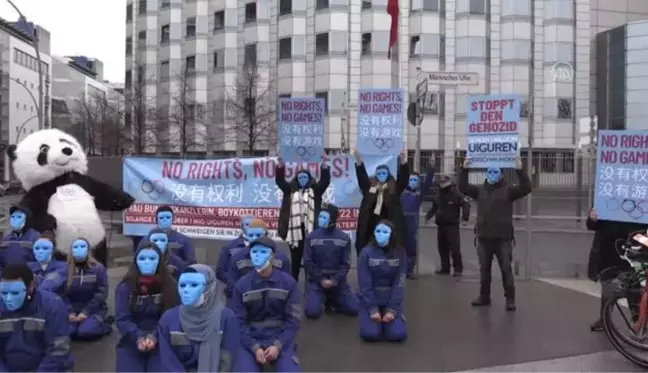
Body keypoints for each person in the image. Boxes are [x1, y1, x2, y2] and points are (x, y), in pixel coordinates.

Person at [458, 158, 532, 311]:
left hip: (503, 238)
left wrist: (520, 170)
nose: (492, 174)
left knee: (506, 268)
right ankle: (484, 296)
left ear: (500, 174)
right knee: (484, 269)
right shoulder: (480, 190)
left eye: (495, 172)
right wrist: (464, 169)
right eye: (489, 172)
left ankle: (510, 299)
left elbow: (526, 188)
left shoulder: (509, 190)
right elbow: (463, 186)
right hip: (484, 237)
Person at [231, 236, 301, 372]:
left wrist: (278, 346)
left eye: (263, 252)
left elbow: (293, 320)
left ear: (272, 256)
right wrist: (254, 347)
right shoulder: (241, 285)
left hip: (279, 335)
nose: (257, 256)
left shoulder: (288, 283)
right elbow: (238, 322)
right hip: (251, 337)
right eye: (254, 252)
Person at [157, 264, 240, 372]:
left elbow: (228, 358)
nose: (186, 290)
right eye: (182, 285)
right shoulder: (168, 319)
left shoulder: (227, 318)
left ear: (209, 287)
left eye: (194, 285)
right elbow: (168, 361)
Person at [115, 243, 179, 373]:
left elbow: (170, 317)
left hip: (162, 339)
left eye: (152, 259)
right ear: (136, 261)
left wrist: (154, 336)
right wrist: (138, 337)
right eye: (142, 259)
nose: (147, 262)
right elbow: (122, 318)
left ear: (159, 261)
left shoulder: (171, 285)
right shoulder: (125, 287)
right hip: (131, 339)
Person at [0, 264, 74, 372]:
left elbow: (59, 350)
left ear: (31, 286)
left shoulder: (52, 305)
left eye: (15, 292)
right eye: (4, 293)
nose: (8, 298)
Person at [586, 207, 648, 331]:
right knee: (607, 283)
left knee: (635, 286)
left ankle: (638, 320)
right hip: (607, 247)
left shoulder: (640, 195)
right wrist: (592, 218)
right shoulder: (607, 191)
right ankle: (605, 318)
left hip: (634, 246)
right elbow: (592, 225)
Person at [275, 155, 331, 281]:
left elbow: (325, 181)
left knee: (309, 260)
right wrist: (280, 166)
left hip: (310, 229)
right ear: (296, 179)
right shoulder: (290, 190)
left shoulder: (315, 190)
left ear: (309, 178)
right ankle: (293, 284)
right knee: (295, 260)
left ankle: (310, 287)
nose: (302, 179)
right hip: (294, 231)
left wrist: (324, 164)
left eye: (305, 177)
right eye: (300, 177)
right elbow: (280, 181)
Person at [303, 203, 359, 319]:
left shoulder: (344, 238)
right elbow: (308, 262)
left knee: (354, 309)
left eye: (324, 217)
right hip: (316, 282)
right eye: (320, 216)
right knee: (312, 313)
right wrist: (321, 279)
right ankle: (319, 297)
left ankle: (334, 299)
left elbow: (346, 264)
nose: (320, 220)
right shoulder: (311, 237)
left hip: (337, 282)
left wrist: (334, 281)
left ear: (332, 219)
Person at [357, 220, 407, 342]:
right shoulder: (366, 253)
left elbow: (399, 282)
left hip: (390, 299)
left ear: (392, 234)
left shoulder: (400, 253)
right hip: (371, 299)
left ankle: (393, 319)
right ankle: (370, 319)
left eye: (385, 232)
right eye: (378, 231)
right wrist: (373, 309)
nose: (381, 234)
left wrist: (392, 310)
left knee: (398, 335)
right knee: (370, 334)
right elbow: (364, 283)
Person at [354, 150, 410, 257]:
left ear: (388, 174)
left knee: (391, 247)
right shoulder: (371, 187)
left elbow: (403, 179)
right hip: (371, 224)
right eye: (379, 173)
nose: (381, 176)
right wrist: (359, 162)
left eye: (384, 173)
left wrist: (403, 163)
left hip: (391, 223)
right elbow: (362, 179)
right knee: (370, 246)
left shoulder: (394, 187)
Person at [226, 219, 291, 304]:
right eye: (251, 235)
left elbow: (288, 284)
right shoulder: (237, 258)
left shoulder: (281, 258)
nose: (254, 238)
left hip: (274, 301)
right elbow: (232, 284)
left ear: (266, 235)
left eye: (258, 235)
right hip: (246, 301)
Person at [66, 238, 113, 340]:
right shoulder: (66, 269)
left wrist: (86, 311)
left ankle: (105, 325)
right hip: (73, 308)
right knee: (69, 332)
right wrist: (69, 311)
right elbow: (62, 294)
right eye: (76, 247)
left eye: (82, 247)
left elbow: (102, 292)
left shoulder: (98, 268)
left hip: (94, 309)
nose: (79, 249)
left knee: (85, 332)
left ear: (88, 250)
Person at [425, 174, 471, 277]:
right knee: (442, 248)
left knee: (454, 249)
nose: (442, 184)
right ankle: (445, 268)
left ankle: (458, 269)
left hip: (452, 225)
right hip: (441, 225)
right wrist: (427, 217)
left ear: (449, 182)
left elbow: (466, 204)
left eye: (444, 182)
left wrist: (465, 218)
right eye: (441, 182)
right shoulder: (439, 195)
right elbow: (434, 208)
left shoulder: (456, 194)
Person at [400, 158, 436, 278]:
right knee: (399, 247)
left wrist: (431, 168)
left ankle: (409, 270)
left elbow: (428, 183)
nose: (413, 181)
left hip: (412, 222)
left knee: (411, 247)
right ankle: (399, 270)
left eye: (415, 180)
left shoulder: (420, 192)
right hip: (400, 220)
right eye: (411, 179)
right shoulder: (401, 191)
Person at [216, 215, 253, 285]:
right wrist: (234, 284)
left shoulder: (262, 247)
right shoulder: (229, 246)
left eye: (253, 225)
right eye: (247, 224)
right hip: (234, 290)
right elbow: (220, 272)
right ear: (241, 227)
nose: (250, 227)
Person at [0, 205, 39, 270]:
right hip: (7, 277)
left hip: (27, 277)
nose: (15, 219)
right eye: (13, 217)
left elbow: (43, 262)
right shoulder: (5, 239)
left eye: (19, 217)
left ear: (26, 219)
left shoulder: (36, 237)